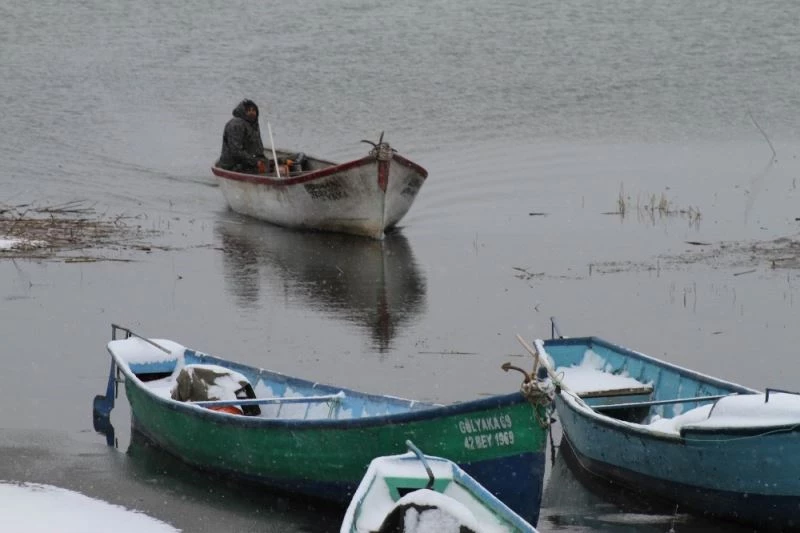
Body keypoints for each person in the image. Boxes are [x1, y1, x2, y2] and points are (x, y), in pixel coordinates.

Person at [216, 99, 268, 173]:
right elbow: (236, 151)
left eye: (253, 110)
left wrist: (262, 161)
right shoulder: (236, 125)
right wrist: (255, 162)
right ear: (243, 112)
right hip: (233, 164)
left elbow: (257, 148)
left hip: (248, 161)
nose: (252, 112)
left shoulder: (253, 124)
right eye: (248, 110)